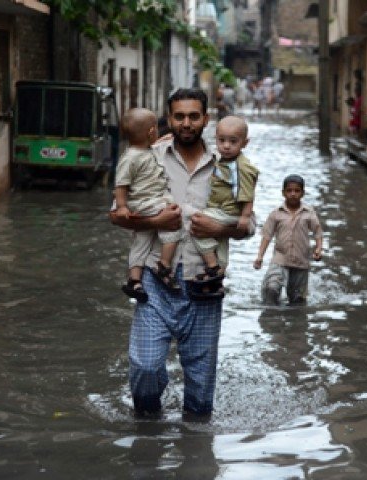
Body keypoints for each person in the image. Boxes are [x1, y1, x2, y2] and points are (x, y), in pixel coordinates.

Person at [109, 88, 254, 418]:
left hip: (203, 285)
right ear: (168, 119)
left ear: (205, 119)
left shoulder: (228, 163)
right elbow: (116, 214)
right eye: (179, 116)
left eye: (193, 116)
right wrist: (154, 220)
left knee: (201, 394)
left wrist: (219, 230)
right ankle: (148, 438)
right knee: (145, 369)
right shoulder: (148, 156)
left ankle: (196, 458)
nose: (186, 123)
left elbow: (249, 224)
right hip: (155, 281)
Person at [113, 108, 182, 302]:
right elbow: (121, 185)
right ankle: (164, 265)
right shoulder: (130, 158)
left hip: (146, 203)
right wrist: (122, 206)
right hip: (148, 202)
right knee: (174, 221)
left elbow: (154, 148)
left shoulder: (144, 151)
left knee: (141, 242)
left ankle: (134, 281)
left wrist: (162, 141)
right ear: (151, 132)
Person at [191, 115, 259, 299]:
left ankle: (212, 267)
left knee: (196, 223)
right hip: (224, 211)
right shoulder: (224, 160)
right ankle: (217, 281)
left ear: (245, 143)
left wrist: (245, 216)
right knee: (221, 244)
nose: (226, 146)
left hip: (228, 212)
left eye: (233, 141)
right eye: (221, 141)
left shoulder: (242, 166)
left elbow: (247, 192)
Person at [253, 174, 323, 305]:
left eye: (297, 191)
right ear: (283, 193)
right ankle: (272, 317)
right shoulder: (276, 214)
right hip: (280, 258)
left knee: (297, 299)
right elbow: (266, 236)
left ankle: (295, 322)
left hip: (301, 260)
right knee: (271, 288)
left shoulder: (309, 213)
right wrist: (260, 256)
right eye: (289, 190)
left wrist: (319, 249)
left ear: (303, 193)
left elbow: (317, 232)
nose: (293, 194)